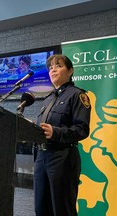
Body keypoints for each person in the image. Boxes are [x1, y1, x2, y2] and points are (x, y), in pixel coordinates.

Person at [34, 54, 91, 216]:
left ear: (70, 71)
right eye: (50, 67)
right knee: (41, 208)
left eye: (58, 66)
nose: (53, 70)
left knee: (62, 209)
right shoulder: (47, 99)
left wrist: (56, 132)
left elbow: (82, 129)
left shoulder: (77, 95)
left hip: (62, 157)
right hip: (42, 157)